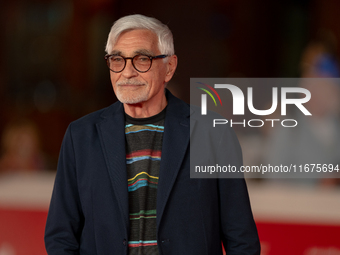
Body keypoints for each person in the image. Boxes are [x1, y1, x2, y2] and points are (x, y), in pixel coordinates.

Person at [44, 14, 260, 255]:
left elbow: (241, 238)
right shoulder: (81, 136)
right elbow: (60, 234)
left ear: (169, 67)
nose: (127, 73)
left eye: (142, 59)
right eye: (117, 60)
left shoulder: (212, 132)